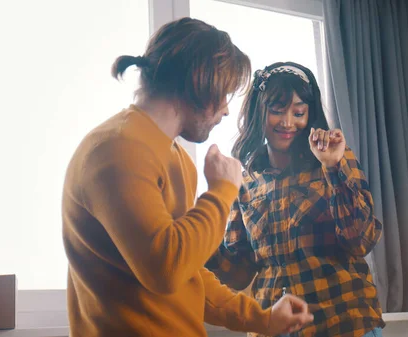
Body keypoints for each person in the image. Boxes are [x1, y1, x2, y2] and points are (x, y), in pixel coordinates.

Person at [62, 19, 314, 337]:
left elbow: (188, 273)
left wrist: (262, 319)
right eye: (223, 95)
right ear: (199, 85)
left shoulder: (176, 157)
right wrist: (222, 192)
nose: (225, 111)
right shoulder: (117, 149)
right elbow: (165, 269)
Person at [206, 62, 385, 337]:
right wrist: (197, 236)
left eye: (299, 112)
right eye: (277, 111)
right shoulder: (245, 181)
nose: (288, 122)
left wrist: (333, 169)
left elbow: (360, 241)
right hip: (275, 329)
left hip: (343, 324)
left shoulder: (335, 160)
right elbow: (240, 272)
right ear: (259, 113)